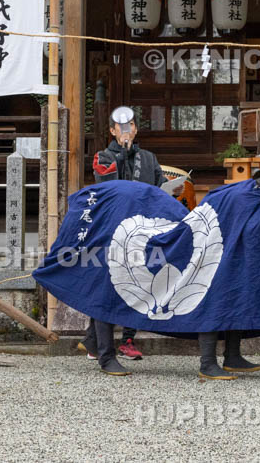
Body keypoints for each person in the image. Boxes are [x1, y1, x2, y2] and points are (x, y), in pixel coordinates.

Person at [78, 106, 164, 368]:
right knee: (110, 286)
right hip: (113, 232)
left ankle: (120, 339)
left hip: (142, 231)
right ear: (113, 131)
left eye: (130, 126)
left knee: (139, 284)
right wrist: (125, 154)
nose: (126, 131)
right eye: (121, 127)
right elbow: (109, 187)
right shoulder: (103, 156)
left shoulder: (149, 158)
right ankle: (102, 349)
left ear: (136, 128)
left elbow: (158, 187)